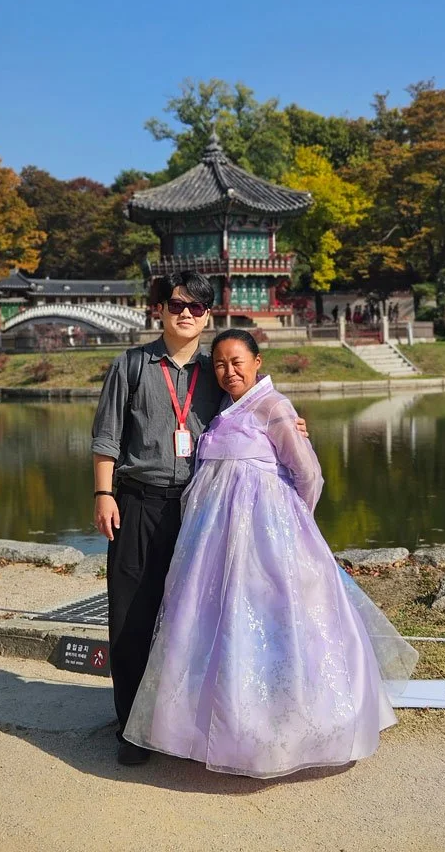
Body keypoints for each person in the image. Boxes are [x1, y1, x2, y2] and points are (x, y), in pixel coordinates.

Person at [123, 330, 418, 779]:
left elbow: (309, 473)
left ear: (257, 361)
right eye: (220, 364)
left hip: (267, 537)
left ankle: (286, 725)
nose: (229, 371)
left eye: (237, 361)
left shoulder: (273, 406)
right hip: (213, 543)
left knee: (276, 625)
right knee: (218, 627)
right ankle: (215, 725)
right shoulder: (222, 411)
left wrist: (291, 521)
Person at [91, 273, 307, 766]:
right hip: (138, 502)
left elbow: (253, 410)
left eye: (196, 306)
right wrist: (104, 493)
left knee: (194, 617)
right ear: (160, 310)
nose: (185, 313)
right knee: (131, 615)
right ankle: (131, 727)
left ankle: (181, 723)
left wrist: (290, 423)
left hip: (201, 510)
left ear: (208, 315)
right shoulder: (132, 365)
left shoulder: (215, 372)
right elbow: (106, 437)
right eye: (176, 304)